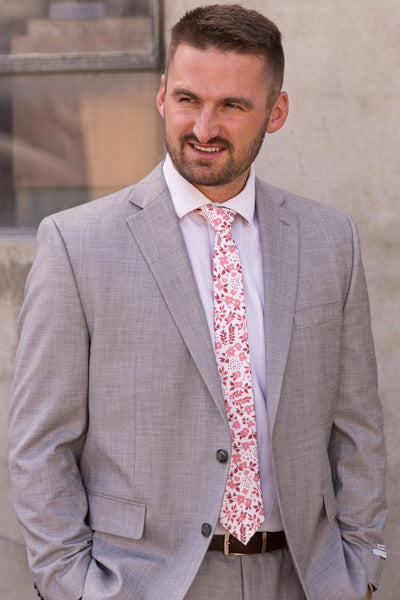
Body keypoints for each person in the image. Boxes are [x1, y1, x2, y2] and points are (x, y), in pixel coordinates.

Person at [8, 4, 387, 600]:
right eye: (188, 99)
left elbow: (357, 427)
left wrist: (361, 566)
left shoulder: (329, 239)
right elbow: (40, 444)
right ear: (162, 95)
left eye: (233, 105)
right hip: (141, 583)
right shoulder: (78, 244)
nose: (204, 127)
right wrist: (72, 585)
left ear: (276, 112)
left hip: (304, 579)